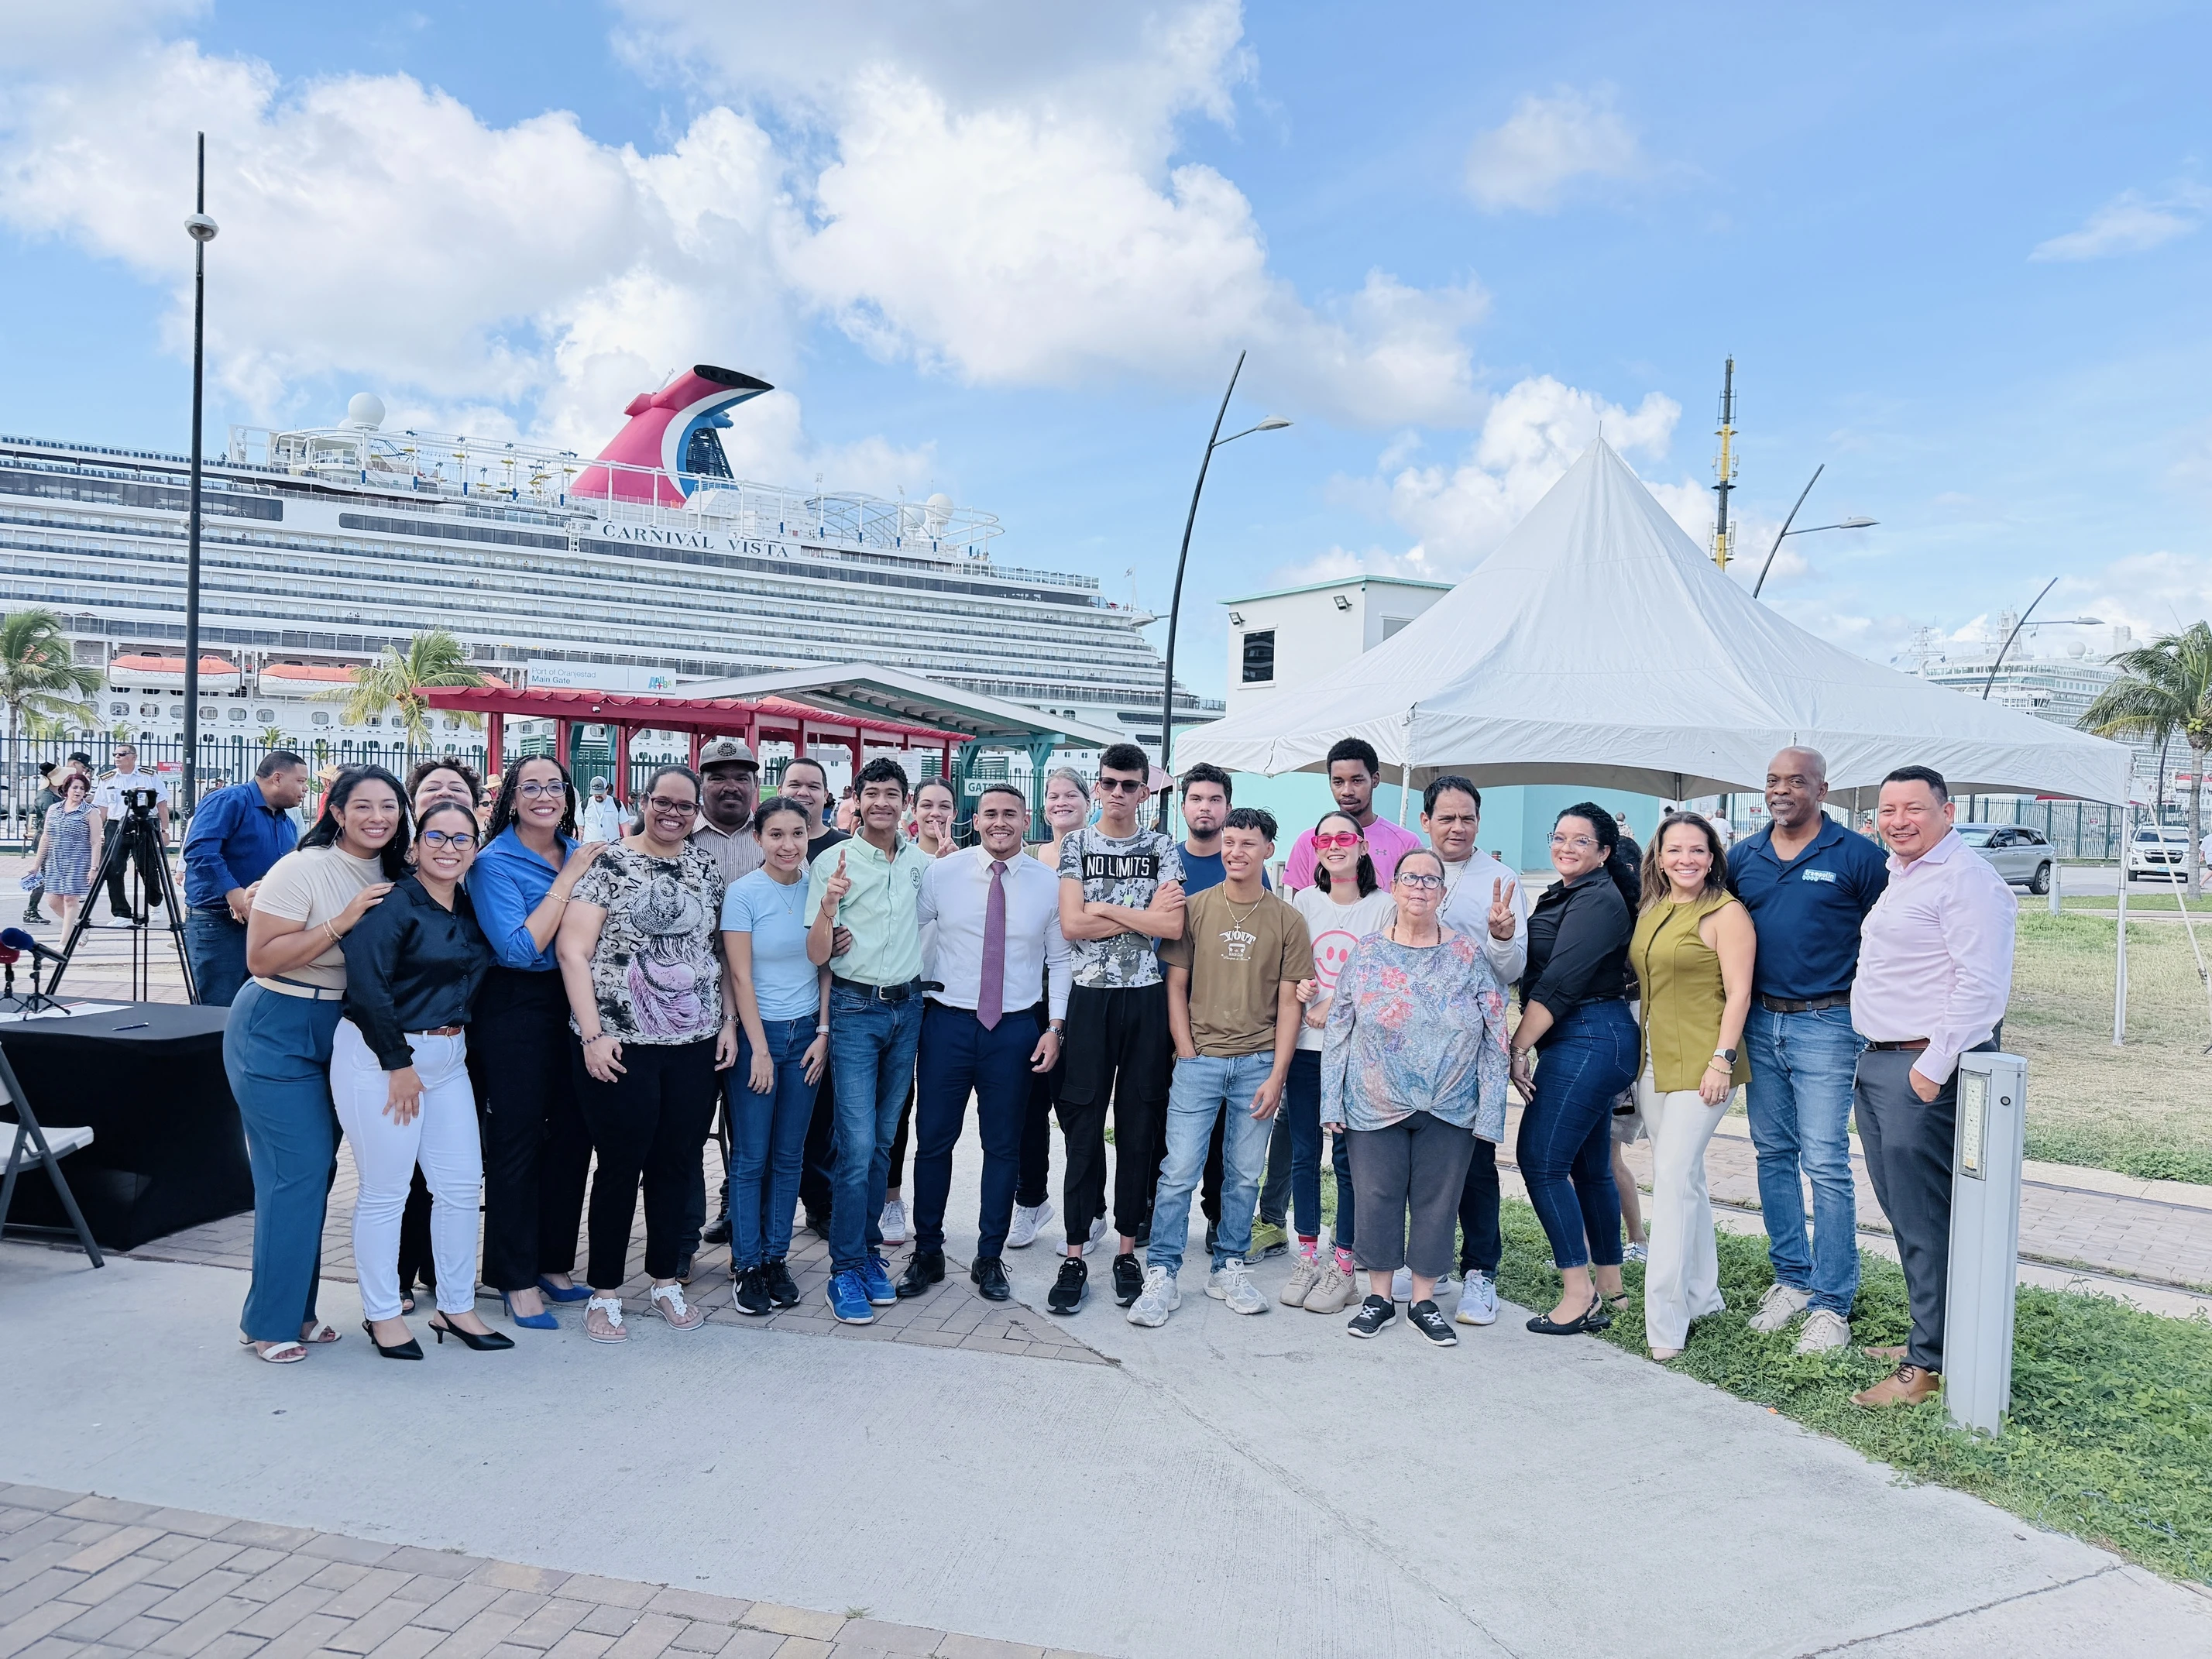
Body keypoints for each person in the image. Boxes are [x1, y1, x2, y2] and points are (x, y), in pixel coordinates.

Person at [1849, 765, 2015, 1408]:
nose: (1898, 821)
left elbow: (1981, 986)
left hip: (1923, 1068)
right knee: (1905, 1211)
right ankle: (1933, 1333)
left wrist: (1930, 1069)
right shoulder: (1906, 874)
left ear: (1946, 811)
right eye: (1888, 809)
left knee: (1927, 1216)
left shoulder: (1968, 881)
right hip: (1884, 1059)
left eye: (1913, 808)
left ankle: (1929, 1365)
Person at [226, 767, 401, 1362]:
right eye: (364, 806)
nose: (378, 817)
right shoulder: (304, 867)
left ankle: (298, 1311)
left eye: (389, 806)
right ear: (337, 810)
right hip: (277, 1023)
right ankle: (267, 1322)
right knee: (294, 1173)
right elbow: (261, 958)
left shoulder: (395, 871)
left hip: (344, 1029)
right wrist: (342, 920)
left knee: (315, 1176)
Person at [556, 764, 734, 1343]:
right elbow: (573, 951)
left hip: (692, 1041)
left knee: (676, 1164)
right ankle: (605, 1290)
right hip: (621, 1042)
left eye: (686, 807)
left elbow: (717, 953)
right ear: (643, 800)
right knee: (619, 1167)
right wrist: (592, 1034)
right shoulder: (609, 863)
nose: (674, 814)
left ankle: (664, 1280)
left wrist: (727, 1022)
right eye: (665, 802)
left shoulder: (705, 868)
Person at [1728, 747, 1891, 1355]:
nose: (1782, 790)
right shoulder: (1743, 857)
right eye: (1773, 780)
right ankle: (1791, 1281)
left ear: (1823, 789)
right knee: (1772, 1152)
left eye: (1797, 781)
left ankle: (1831, 1303)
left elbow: (1892, 935)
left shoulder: (1858, 856)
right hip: (1759, 1023)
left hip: (1828, 1024)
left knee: (1825, 1162)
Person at [333, 799, 508, 1358]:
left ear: (474, 850)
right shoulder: (393, 906)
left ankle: (456, 1307)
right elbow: (365, 987)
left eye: (461, 839)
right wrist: (398, 1065)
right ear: (414, 846)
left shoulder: (469, 908)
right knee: (386, 1192)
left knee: (459, 1188)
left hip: (448, 1058)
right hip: (382, 1058)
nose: (449, 849)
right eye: (436, 837)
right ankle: (382, 1313)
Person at [1321, 847, 1511, 1346]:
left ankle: (1424, 1301)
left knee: (1437, 1201)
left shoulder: (1468, 954)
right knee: (1376, 1197)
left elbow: (1496, 1033)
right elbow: (1339, 1026)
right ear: (1395, 886)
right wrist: (1330, 1101)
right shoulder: (1365, 952)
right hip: (1372, 1100)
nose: (1420, 888)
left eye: (1431, 881)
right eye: (1411, 879)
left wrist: (1491, 1113)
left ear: (1443, 893)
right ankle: (1378, 1298)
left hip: (1449, 1104)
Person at [1129, 807, 1310, 1327]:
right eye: (1229, 842)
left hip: (1257, 1064)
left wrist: (1277, 1075)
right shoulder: (1196, 908)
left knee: (1243, 1176)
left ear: (1268, 850)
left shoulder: (1287, 920)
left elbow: (1290, 1003)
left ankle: (1227, 1266)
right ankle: (1162, 1273)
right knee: (1178, 1170)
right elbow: (1176, 985)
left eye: (1248, 844)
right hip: (1200, 1061)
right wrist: (1186, 1050)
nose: (1235, 852)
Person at [903, 782, 1070, 1302]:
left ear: (1027, 822)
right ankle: (927, 1251)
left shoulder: (1049, 883)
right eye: (990, 814)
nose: (999, 822)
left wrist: (1055, 1027)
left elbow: (1060, 960)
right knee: (932, 1142)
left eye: (1010, 815)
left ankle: (989, 1256)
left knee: (1003, 1147)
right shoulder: (942, 874)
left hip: (1015, 1030)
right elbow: (907, 930)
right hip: (947, 1023)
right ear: (974, 822)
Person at [468, 755, 606, 1328]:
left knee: (573, 1137)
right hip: (516, 1009)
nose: (544, 796)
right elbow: (520, 950)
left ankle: (553, 1262)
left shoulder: (580, 848)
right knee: (518, 1141)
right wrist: (569, 881)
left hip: (574, 1004)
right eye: (532, 787)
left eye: (554, 786)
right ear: (512, 796)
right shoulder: (492, 862)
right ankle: (514, 1276)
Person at [1048, 744, 1185, 1316]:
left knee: (1138, 1126)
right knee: (1082, 1126)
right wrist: (1137, 916)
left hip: (1145, 1000)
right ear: (1097, 787)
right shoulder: (1076, 844)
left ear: (1144, 792)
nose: (1119, 794)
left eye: (1131, 785)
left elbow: (1171, 924)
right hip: (1090, 999)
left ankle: (1128, 1248)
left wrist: (1108, 911)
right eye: (1110, 783)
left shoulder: (1160, 846)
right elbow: (1072, 923)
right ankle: (1076, 1252)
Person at [805, 757, 932, 1324]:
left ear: (905, 802)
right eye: (872, 793)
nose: (882, 803)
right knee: (855, 1147)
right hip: (856, 1008)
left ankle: (869, 1256)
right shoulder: (833, 860)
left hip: (908, 1008)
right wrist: (831, 911)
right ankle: (845, 1269)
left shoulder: (920, 864)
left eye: (891, 794)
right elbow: (815, 953)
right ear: (855, 800)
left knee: (882, 1142)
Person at [1630, 812, 1754, 1361]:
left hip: (1706, 1066)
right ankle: (1705, 1295)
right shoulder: (1654, 907)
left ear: (1713, 856)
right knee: (1688, 1180)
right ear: (1658, 856)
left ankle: (1665, 1321)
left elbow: (1740, 995)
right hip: (1654, 1065)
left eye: (1697, 851)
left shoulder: (1727, 914)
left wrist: (1722, 1061)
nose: (1686, 860)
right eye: (1675, 850)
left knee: (1672, 1182)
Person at [1512, 802, 1640, 1337]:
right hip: (1582, 1038)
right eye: (1559, 836)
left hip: (1590, 1037)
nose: (1565, 847)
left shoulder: (1598, 901)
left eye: (1580, 841)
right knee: (1589, 1168)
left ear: (1605, 852)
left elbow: (1560, 982)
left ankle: (1578, 1294)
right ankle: (1611, 1286)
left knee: (1539, 1160)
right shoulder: (1568, 893)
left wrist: (1518, 1047)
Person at [1417, 775, 1527, 1326]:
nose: (1457, 828)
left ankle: (1481, 1272)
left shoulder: (1501, 880)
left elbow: (1511, 972)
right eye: (1447, 818)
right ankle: (1430, 1265)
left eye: (1467, 818)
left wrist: (1501, 937)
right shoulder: (1412, 871)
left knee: (1477, 1159)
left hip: (1476, 1043)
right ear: (1426, 822)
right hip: (1413, 1042)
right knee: (1422, 1157)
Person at [1279, 810, 1396, 1314]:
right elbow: (1290, 967)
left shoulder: (1384, 907)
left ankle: (1345, 1265)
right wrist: (1302, 988)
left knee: (1348, 1162)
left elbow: (1387, 976)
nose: (1333, 845)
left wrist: (1335, 1002)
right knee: (1305, 1155)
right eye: (1324, 838)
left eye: (1343, 837)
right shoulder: (1303, 902)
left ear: (1363, 846)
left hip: (1356, 1056)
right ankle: (1308, 1253)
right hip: (1306, 1050)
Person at [721, 797, 830, 1316]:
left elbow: (827, 966)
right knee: (750, 1158)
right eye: (776, 834)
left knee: (790, 1157)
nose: (788, 844)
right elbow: (739, 974)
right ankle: (745, 1265)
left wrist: (824, 1032)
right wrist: (757, 1047)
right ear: (757, 839)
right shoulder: (743, 894)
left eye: (797, 834)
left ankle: (774, 1258)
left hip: (806, 1034)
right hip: (757, 1039)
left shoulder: (820, 891)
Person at [392, 761, 483, 1314]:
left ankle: (447, 1286)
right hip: (404, 1045)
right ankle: (398, 1279)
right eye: (433, 792)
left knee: (455, 1177)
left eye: (457, 792)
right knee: (399, 1179)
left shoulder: (479, 877)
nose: (446, 796)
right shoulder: (396, 888)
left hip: (461, 1042)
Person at [1179, 763, 1274, 1261]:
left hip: (1240, 1032)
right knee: (1172, 1131)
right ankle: (1156, 1216)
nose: (1206, 807)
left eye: (1215, 799)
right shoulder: (1167, 862)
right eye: (1197, 798)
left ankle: (1221, 1221)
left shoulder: (1247, 871)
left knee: (1231, 1144)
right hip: (1178, 1015)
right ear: (1184, 806)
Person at [683, 737, 763, 1262]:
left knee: (750, 1126)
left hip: (762, 1004)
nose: (730, 786)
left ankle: (741, 1215)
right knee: (687, 1127)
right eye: (718, 776)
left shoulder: (776, 839)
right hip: (689, 1005)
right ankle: (680, 1237)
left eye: (741, 776)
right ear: (701, 786)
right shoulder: (678, 838)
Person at [1012, 766, 1094, 1252]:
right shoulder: (1028, 858)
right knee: (1029, 1105)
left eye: (1071, 794)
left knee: (1077, 1108)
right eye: (1053, 795)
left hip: (1086, 994)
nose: (1061, 801)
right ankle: (1031, 1200)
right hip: (1030, 995)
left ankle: (1089, 1211)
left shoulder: (1103, 853)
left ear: (1089, 801)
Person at [769, 754, 850, 1238]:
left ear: (827, 795)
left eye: (813, 785)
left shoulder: (844, 848)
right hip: (771, 1000)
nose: (803, 792)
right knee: (752, 1121)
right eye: (794, 783)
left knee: (821, 1112)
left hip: (827, 997)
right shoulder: (770, 842)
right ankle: (741, 1205)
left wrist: (846, 937)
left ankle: (819, 1202)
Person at [879, 776, 963, 1244]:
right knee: (896, 1103)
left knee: (935, 1110)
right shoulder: (903, 861)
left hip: (944, 998)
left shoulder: (965, 862)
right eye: (927, 804)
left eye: (945, 805)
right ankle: (891, 1200)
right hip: (902, 992)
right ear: (913, 808)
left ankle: (933, 1211)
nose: (936, 813)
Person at [1280, 739, 1423, 891]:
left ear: (1375, 779)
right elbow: (1300, 910)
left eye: (1356, 781)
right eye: (1338, 782)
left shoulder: (1406, 843)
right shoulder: (1309, 841)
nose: (1347, 791)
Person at [92, 743, 170, 919]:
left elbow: (162, 805)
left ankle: (155, 902)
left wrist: (165, 830)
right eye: (115, 754)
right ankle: (121, 913)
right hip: (116, 825)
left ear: (134, 757)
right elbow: (102, 810)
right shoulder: (107, 779)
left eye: (122, 754)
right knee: (113, 868)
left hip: (143, 824)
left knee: (147, 866)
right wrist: (98, 833)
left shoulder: (148, 776)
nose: (117, 757)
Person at [30, 771, 101, 934]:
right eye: (75, 787)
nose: (78, 791)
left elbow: (96, 841)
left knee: (70, 900)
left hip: (78, 861)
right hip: (55, 861)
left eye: (82, 789)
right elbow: (46, 837)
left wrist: (94, 867)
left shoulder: (90, 811)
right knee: (53, 900)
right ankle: (80, 927)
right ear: (67, 789)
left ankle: (65, 941)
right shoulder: (54, 809)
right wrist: (36, 865)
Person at [19, 762, 63, 925]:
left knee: (48, 875)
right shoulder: (45, 796)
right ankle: (31, 910)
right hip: (47, 838)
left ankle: (34, 909)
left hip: (53, 838)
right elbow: (49, 821)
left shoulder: (54, 793)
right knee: (43, 876)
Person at [581, 777, 623, 845]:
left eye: (600, 793)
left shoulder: (616, 803)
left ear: (607, 789)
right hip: (589, 847)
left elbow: (625, 825)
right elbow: (579, 829)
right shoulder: (584, 804)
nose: (597, 795)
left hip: (612, 847)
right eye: (595, 793)